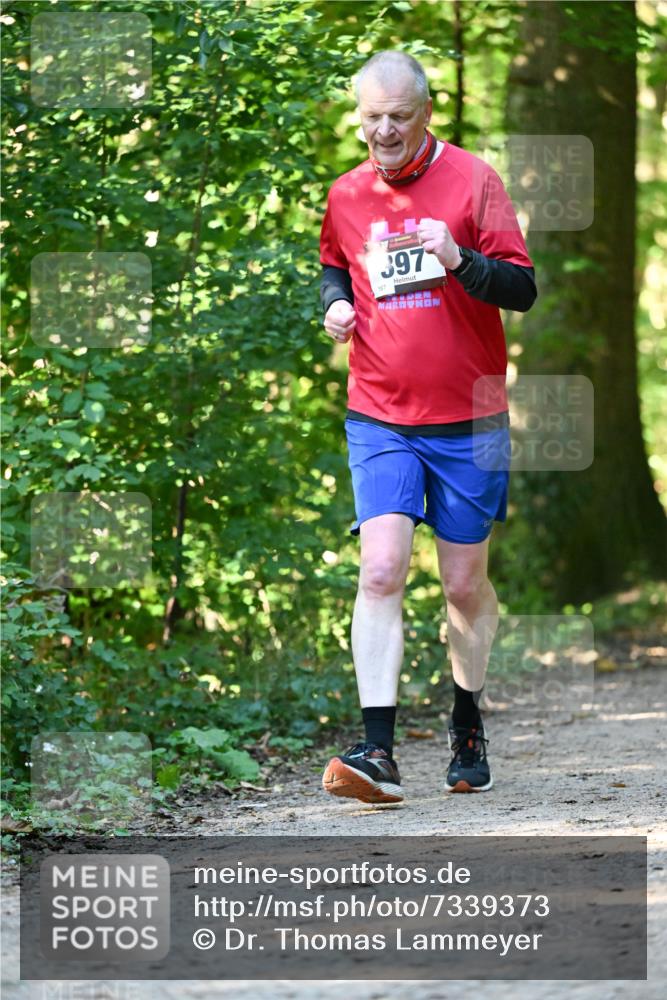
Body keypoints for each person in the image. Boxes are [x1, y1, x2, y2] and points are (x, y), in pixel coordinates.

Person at [319, 51, 536, 804]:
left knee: (463, 584)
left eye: (399, 117)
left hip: (470, 417)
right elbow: (335, 265)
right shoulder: (346, 192)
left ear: (426, 113)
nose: (384, 130)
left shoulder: (474, 180)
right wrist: (334, 305)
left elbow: (522, 287)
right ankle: (377, 751)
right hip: (380, 413)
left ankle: (466, 721)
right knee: (380, 569)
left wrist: (459, 259)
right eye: (372, 117)